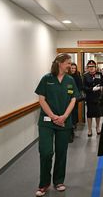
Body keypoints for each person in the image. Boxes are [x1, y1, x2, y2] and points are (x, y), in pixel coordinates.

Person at [34, 53, 79, 196]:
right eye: (68, 63)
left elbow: (73, 99)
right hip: (47, 122)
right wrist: (53, 116)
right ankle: (44, 183)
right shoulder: (47, 79)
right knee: (46, 152)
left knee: (61, 152)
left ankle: (58, 181)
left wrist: (64, 116)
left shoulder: (70, 80)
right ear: (60, 63)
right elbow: (41, 99)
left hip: (64, 122)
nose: (70, 66)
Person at [83, 60, 103, 137]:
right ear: (87, 68)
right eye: (89, 67)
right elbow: (84, 87)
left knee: (98, 113)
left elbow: (102, 84)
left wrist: (101, 89)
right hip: (90, 97)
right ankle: (89, 129)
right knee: (90, 114)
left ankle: (98, 127)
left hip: (98, 97)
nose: (91, 68)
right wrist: (92, 89)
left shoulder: (99, 74)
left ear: (95, 67)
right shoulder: (85, 76)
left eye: (92, 67)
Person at [68, 62, 83, 142]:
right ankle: (70, 131)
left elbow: (80, 87)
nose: (73, 70)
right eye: (71, 68)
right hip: (67, 99)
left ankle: (72, 129)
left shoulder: (77, 77)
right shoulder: (66, 76)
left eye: (74, 68)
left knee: (74, 113)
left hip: (74, 99)